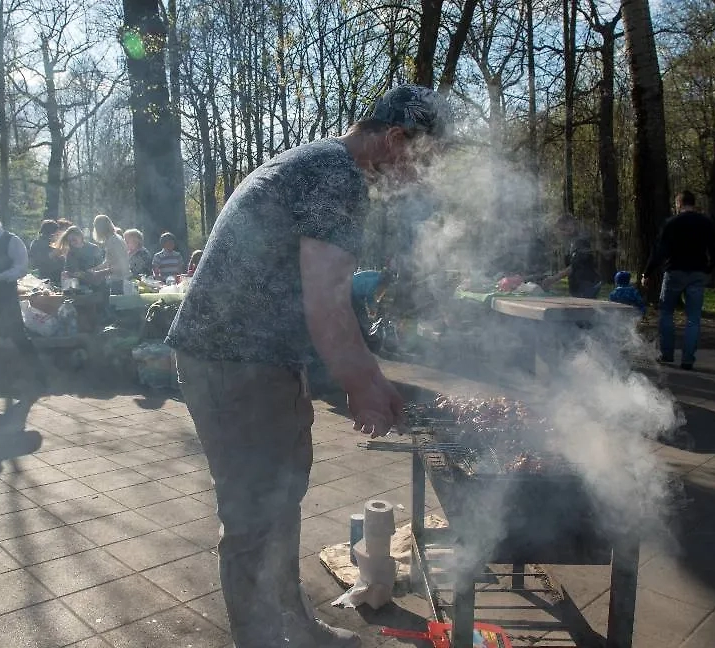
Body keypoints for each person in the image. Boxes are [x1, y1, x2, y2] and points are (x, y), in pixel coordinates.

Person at [166, 84, 450, 648]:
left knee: (279, 499)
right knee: (254, 514)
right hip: (236, 364)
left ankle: (289, 624)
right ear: (394, 140)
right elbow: (327, 304)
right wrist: (363, 387)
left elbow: (318, 300)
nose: (420, 178)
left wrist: (367, 380)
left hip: (250, 360)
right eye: (423, 162)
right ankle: (262, 638)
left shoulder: (318, 161)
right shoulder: (339, 177)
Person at [641, 190, 715, 370]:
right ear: (694, 203)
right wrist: (709, 268)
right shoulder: (706, 223)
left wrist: (648, 272)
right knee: (693, 318)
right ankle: (688, 359)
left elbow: (659, 250)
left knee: (667, 312)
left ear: (679, 204)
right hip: (698, 272)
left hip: (675, 270)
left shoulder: (671, 223)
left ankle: (667, 354)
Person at [0, 202, 47, 389]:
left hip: (4, 295)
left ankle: (39, 377)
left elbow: (21, 268)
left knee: (17, 335)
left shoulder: (11, 241)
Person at [90, 214, 132, 290]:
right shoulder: (112, 240)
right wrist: (94, 269)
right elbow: (108, 262)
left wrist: (99, 273)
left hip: (121, 282)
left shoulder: (115, 241)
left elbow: (121, 266)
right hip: (116, 281)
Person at [29, 219, 64, 285]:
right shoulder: (37, 243)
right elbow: (37, 262)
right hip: (43, 278)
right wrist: (54, 253)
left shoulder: (55, 242)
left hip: (58, 277)